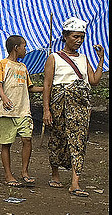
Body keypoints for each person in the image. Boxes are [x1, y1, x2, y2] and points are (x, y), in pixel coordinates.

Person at [42, 17, 106, 198]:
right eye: (75, 37)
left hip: (80, 107)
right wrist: (46, 110)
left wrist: (101, 60)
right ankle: (55, 174)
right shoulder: (54, 58)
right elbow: (47, 85)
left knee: (79, 141)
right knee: (58, 138)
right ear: (65, 37)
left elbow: (93, 81)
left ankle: (75, 183)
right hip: (59, 105)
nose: (79, 41)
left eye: (81, 38)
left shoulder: (84, 59)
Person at [0, 35, 44, 187]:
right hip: (7, 111)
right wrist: (4, 98)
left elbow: (30, 88)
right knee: (6, 143)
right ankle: (8, 175)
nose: (26, 49)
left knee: (27, 139)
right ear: (16, 48)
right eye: (24, 46)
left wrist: (46, 89)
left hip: (23, 110)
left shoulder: (23, 67)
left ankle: (24, 172)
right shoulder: (1, 64)